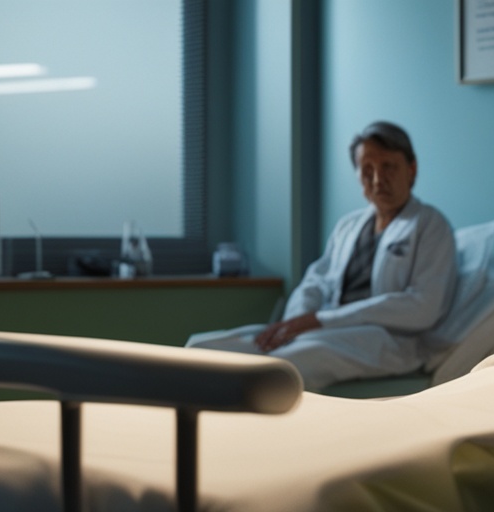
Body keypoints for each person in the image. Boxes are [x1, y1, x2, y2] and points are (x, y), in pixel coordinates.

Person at [187, 121, 458, 391]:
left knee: (284, 367)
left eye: (388, 167)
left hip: (387, 341)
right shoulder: (349, 226)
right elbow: (316, 281)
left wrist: (320, 320)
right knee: (201, 349)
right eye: (367, 171)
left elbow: (422, 307)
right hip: (326, 331)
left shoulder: (430, 226)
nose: (377, 180)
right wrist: (297, 321)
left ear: (412, 169)